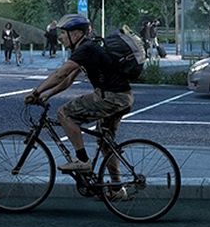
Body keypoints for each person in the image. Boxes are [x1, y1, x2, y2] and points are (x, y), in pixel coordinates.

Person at [24, 15, 132, 197]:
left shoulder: (86, 48)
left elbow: (60, 74)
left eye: (63, 33)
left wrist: (36, 92)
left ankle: (82, 160)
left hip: (110, 98)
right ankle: (117, 188)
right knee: (106, 143)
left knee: (64, 113)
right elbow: (67, 80)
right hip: (123, 98)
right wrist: (47, 94)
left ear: (76, 34)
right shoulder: (88, 48)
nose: (61, 37)